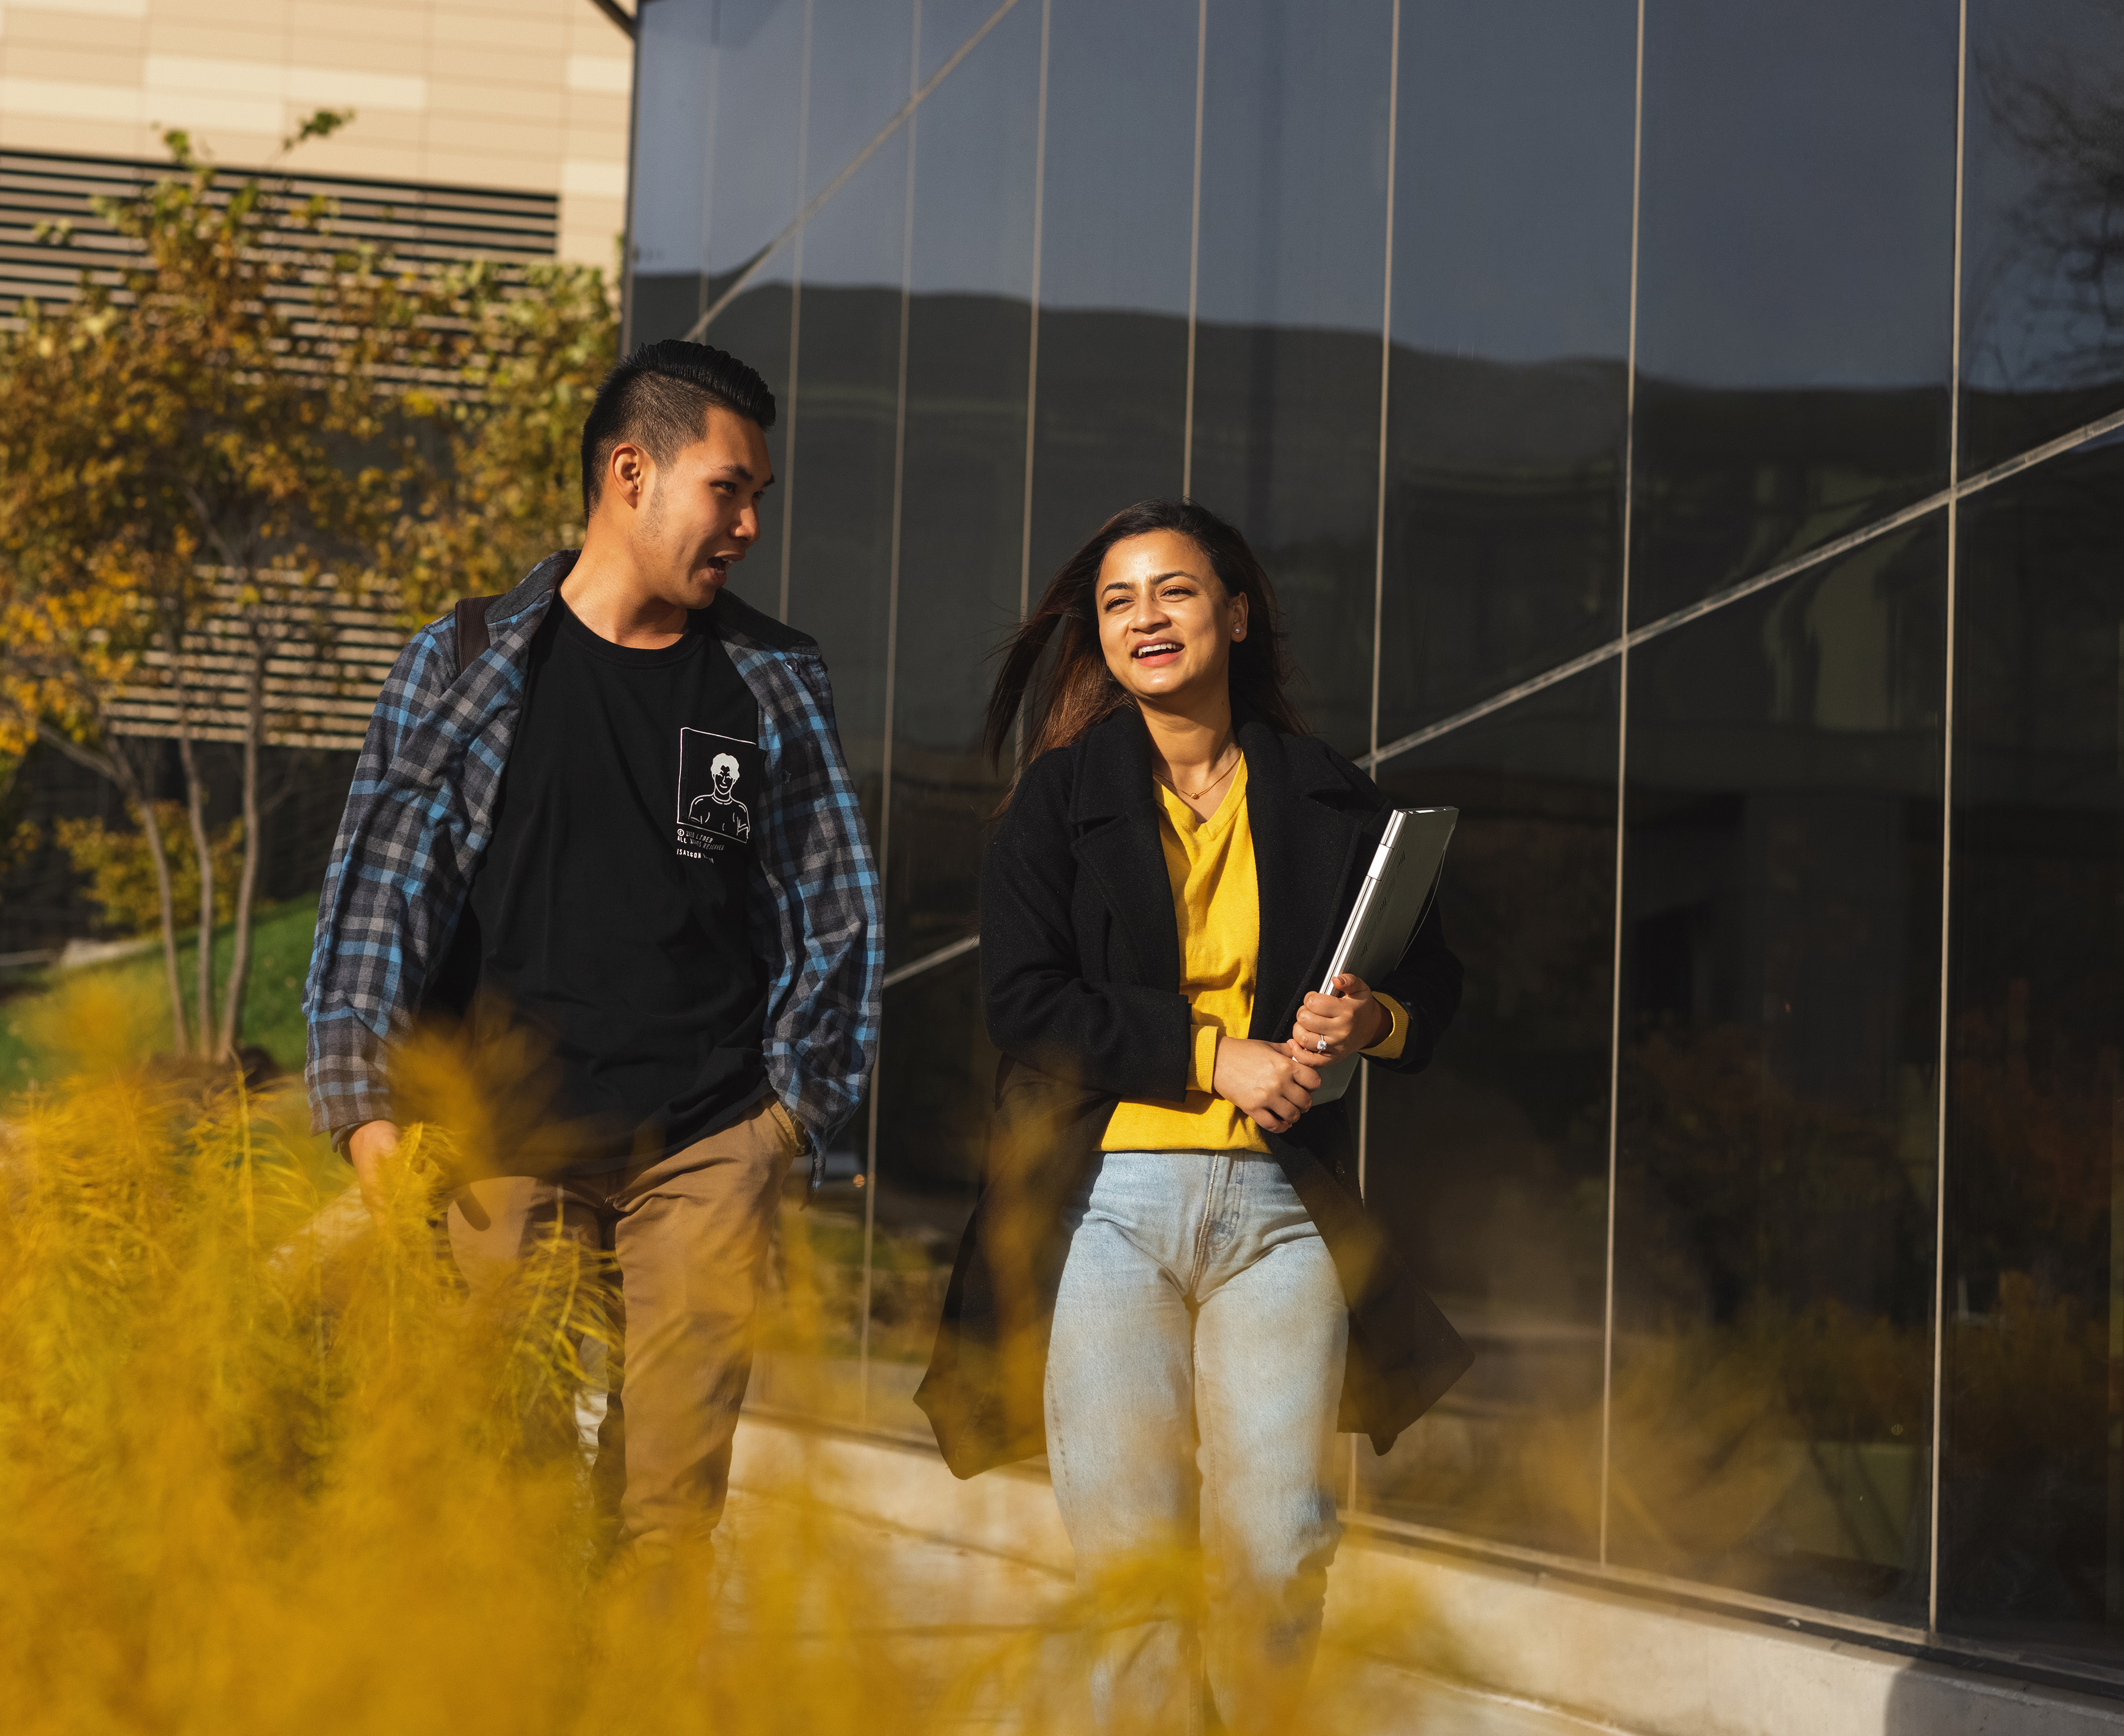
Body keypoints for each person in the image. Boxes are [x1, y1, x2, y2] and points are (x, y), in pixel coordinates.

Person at [302, 337, 881, 1586]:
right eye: (729, 490)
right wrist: (362, 1110)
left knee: (669, 1516)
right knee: (503, 1507)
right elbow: (372, 899)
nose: (747, 525)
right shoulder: (463, 659)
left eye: (757, 500)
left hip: (704, 1143)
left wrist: (786, 1120)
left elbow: (833, 909)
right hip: (503, 1147)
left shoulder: (771, 679)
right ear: (632, 471)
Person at [915, 498, 1468, 1735]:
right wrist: (1217, 1057)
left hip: (1278, 1218)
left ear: (1236, 610)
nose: (1144, 619)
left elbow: (1432, 985)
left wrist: (1365, 1019)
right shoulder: (1056, 804)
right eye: (1118, 602)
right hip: (1105, 1210)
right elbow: (1027, 1001)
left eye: (1172, 591)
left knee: (1279, 1555)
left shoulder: (1331, 797)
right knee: (1132, 1577)